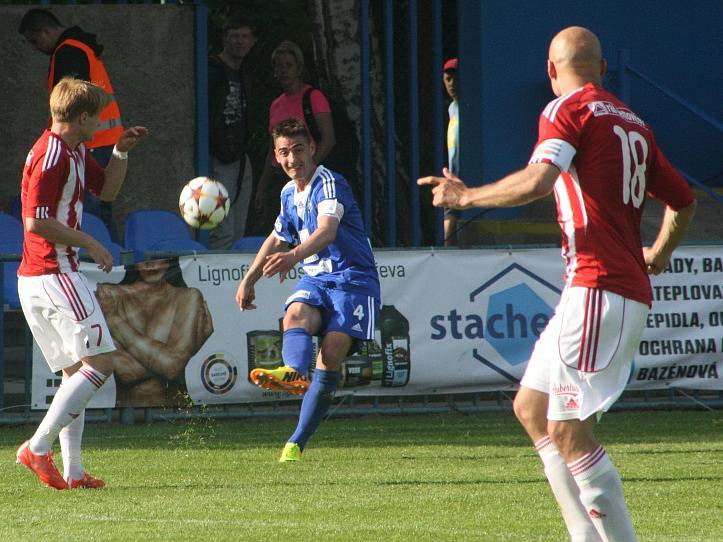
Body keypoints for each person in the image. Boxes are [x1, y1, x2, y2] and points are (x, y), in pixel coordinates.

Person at [418, 26, 696, 542]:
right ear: (604, 69)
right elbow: (684, 201)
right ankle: (583, 536)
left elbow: (539, 180)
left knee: (569, 429)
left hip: (599, 286)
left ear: (552, 70)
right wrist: (656, 254)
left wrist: (464, 198)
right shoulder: (634, 122)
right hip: (604, 288)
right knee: (533, 408)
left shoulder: (565, 110)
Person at [15, 77, 147, 490]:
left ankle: (72, 472)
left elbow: (106, 190)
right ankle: (37, 447)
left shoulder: (74, 149)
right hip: (54, 274)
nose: (102, 126)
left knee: (76, 373)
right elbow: (35, 221)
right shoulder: (51, 155)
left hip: (40, 278)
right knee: (100, 364)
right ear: (83, 117)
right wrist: (91, 241)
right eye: (100, 119)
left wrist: (121, 151)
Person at [236, 119, 379, 462]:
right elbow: (276, 237)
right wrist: (249, 279)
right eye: (284, 152)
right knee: (295, 314)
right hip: (316, 279)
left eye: (298, 150)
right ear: (275, 156)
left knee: (330, 355)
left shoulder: (330, 183)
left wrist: (293, 256)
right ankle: (292, 372)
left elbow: (328, 231)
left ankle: (296, 442)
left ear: (312, 148)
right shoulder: (288, 192)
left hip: (353, 280)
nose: (292, 159)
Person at [19, 8, 124, 243]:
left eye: (35, 40)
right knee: (98, 209)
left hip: (91, 141)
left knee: (90, 211)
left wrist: (59, 141)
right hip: (101, 139)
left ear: (45, 31)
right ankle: (109, 257)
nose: (36, 47)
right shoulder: (81, 47)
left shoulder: (67, 52)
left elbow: (69, 105)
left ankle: (103, 260)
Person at [96, 258, 214, 406]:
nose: (150, 264)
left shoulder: (188, 296)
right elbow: (128, 373)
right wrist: (184, 351)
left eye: (157, 257)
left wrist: (115, 322)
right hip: (126, 412)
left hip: (176, 411)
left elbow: (172, 367)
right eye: (143, 257)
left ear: (170, 259)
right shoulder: (109, 293)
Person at [253, 41, 336, 232]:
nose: (284, 71)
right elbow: (271, 150)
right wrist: (262, 186)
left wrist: (306, 171)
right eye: (279, 66)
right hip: (279, 176)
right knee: (281, 232)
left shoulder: (313, 97)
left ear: (299, 68)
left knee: (308, 229)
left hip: (307, 174)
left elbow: (328, 139)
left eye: (289, 65)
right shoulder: (276, 104)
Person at [207, 16, 257, 249]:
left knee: (238, 232)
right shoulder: (212, 69)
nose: (239, 42)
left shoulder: (245, 72)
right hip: (219, 155)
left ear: (252, 41)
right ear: (225, 39)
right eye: (234, 36)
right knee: (223, 230)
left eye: (244, 37)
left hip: (240, 154)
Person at [442, 57, 461, 247]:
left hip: (468, 181)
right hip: (453, 180)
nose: (452, 84)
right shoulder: (452, 108)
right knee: (449, 240)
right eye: (448, 79)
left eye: (456, 78)